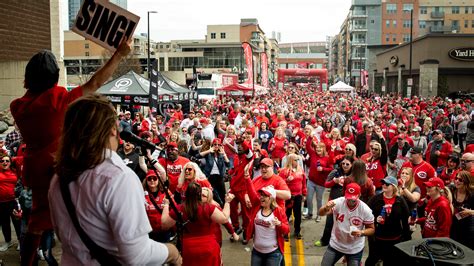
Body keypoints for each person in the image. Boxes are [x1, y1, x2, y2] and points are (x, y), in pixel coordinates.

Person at [10, 39, 132, 266]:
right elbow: (95, 82)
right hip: (63, 169)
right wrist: (119, 55)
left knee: (36, 225)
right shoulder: (58, 102)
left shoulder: (17, 107)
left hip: (35, 171)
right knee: (82, 220)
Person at [49, 94, 181, 265]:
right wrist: (172, 252)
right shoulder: (118, 179)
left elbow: (63, 235)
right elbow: (137, 256)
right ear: (113, 129)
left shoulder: (58, 178)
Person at [161, 182, 232, 266]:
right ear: (199, 194)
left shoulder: (180, 208)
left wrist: (166, 205)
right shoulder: (208, 207)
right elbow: (224, 218)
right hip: (209, 247)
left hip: (189, 249)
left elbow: (164, 224)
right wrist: (227, 202)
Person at [319, 183, 375, 266]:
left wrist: (362, 232)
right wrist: (325, 208)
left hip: (354, 249)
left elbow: (372, 229)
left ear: (359, 195)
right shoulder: (338, 202)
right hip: (336, 245)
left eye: (353, 199)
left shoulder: (365, 210)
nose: (350, 201)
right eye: (348, 198)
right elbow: (321, 213)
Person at [366, 176, 411, 266]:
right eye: (383, 183)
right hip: (377, 238)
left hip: (394, 238)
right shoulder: (376, 198)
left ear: (393, 186)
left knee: (390, 261)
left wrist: (407, 237)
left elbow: (406, 218)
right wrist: (375, 219)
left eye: (387, 184)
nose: (384, 185)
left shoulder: (400, 200)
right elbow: (366, 213)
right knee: (371, 261)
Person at [244, 185, 290, 266]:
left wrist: (279, 224)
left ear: (271, 198)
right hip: (257, 252)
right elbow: (251, 192)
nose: (261, 197)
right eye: (261, 195)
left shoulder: (278, 211)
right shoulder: (257, 207)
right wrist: (247, 177)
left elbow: (287, 230)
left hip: (273, 254)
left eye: (265, 196)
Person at [315, 156, 355, 247]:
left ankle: (345, 242)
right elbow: (326, 184)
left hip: (347, 203)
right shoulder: (335, 171)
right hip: (333, 201)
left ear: (352, 165)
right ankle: (324, 240)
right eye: (343, 163)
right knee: (329, 222)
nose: (344, 165)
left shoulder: (354, 174)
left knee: (346, 224)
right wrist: (334, 181)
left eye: (347, 164)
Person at [278, 154, 306, 239]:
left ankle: (297, 231)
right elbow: (279, 183)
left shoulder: (300, 170)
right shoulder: (284, 171)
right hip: (288, 196)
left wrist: (304, 194)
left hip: (298, 195)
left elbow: (303, 183)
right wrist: (287, 180)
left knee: (298, 215)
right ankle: (285, 232)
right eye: (295, 160)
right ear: (290, 160)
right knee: (286, 214)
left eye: (297, 160)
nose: (297, 161)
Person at [143, 170, 175, 243]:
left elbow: (174, 208)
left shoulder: (166, 192)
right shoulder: (142, 194)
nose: (152, 180)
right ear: (146, 180)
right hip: (149, 231)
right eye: (149, 178)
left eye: (154, 178)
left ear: (158, 179)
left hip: (164, 230)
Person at [306, 141, 332, 221]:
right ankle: (310, 213)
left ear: (323, 149)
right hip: (311, 181)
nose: (318, 149)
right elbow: (307, 146)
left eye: (320, 147)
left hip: (321, 183)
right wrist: (310, 137)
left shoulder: (327, 158)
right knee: (309, 198)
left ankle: (319, 214)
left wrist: (323, 169)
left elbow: (331, 169)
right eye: (317, 147)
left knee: (319, 199)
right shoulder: (313, 154)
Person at [198, 138, 230, 206]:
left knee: (223, 196)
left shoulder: (221, 155)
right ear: (212, 145)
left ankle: (223, 212)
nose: (217, 146)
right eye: (215, 144)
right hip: (210, 177)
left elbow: (228, 164)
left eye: (218, 145)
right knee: (214, 196)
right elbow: (198, 156)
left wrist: (224, 154)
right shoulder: (209, 154)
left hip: (219, 177)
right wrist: (209, 150)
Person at [0, 155, 21, 251]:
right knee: (5, 224)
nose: (5, 162)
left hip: (13, 202)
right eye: (2, 161)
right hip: (1, 203)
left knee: (17, 223)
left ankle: (20, 242)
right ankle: (8, 242)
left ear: (10, 162)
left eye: (7, 161)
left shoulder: (15, 172)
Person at [449, 171, 474, 249]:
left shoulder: (472, 194)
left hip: (467, 227)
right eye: (456, 178)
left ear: (467, 182)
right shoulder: (451, 190)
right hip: (452, 225)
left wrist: (470, 212)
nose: (457, 181)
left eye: (460, 180)